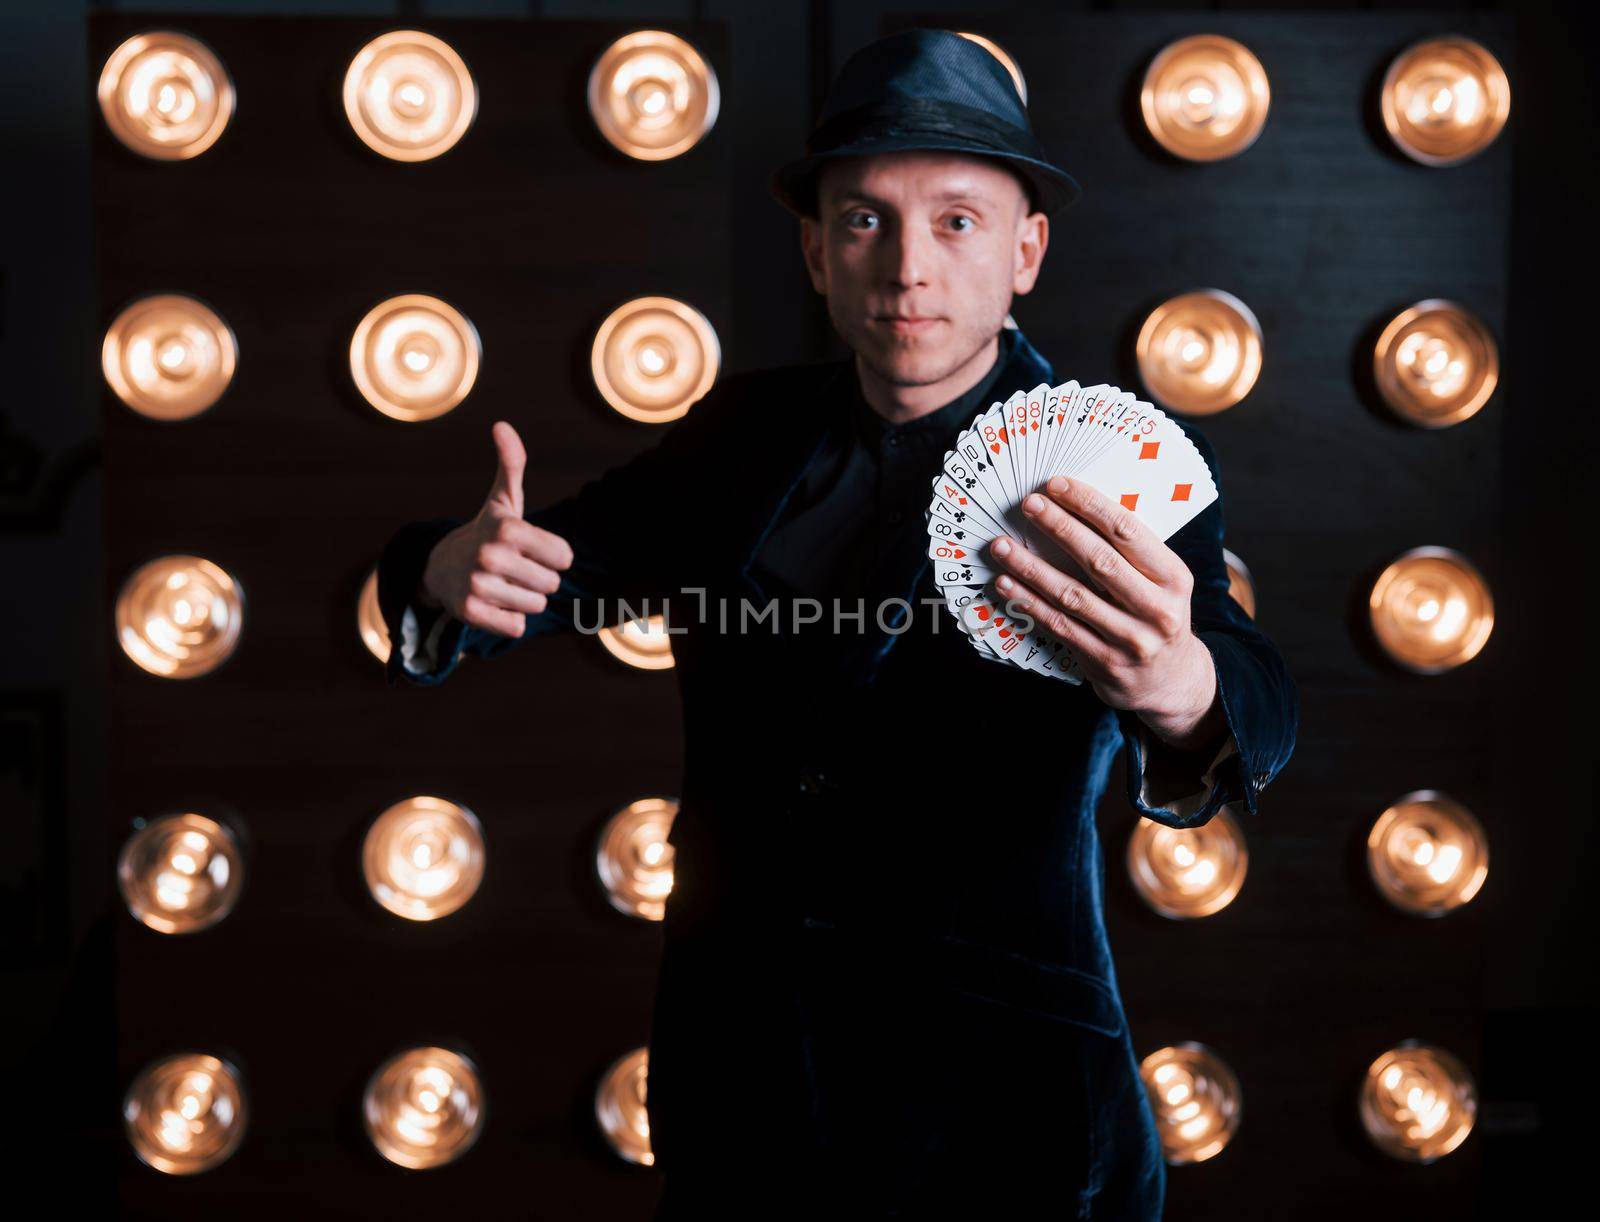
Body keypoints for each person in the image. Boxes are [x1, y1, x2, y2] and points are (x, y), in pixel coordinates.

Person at [377, 27, 1298, 1219]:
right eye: (864, 220)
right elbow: (542, 569)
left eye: (956, 222)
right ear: (816, 252)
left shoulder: (1119, 463)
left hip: (1006, 1099)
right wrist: (445, 575)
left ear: (1027, 250)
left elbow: (1251, 691)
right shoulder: (737, 437)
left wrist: (1181, 684)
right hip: (741, 1078)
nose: (907, 266)